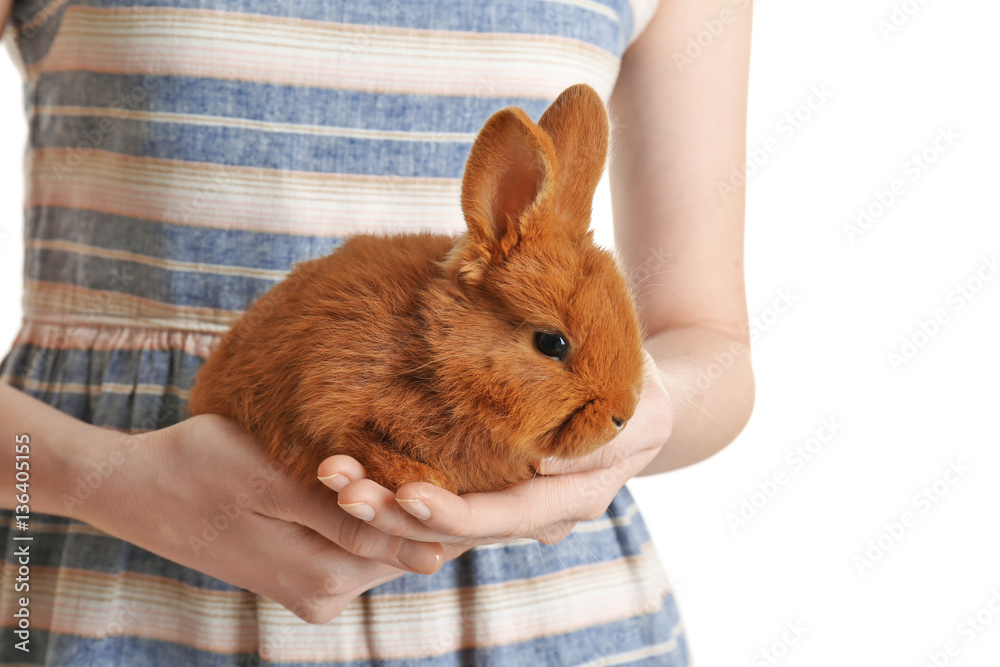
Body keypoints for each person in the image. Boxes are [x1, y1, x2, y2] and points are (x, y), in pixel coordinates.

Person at [0, 0, 754, 664]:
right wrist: (102, 479)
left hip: (556, 612)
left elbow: (709, 342)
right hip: (124, 585)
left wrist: (643, 418)